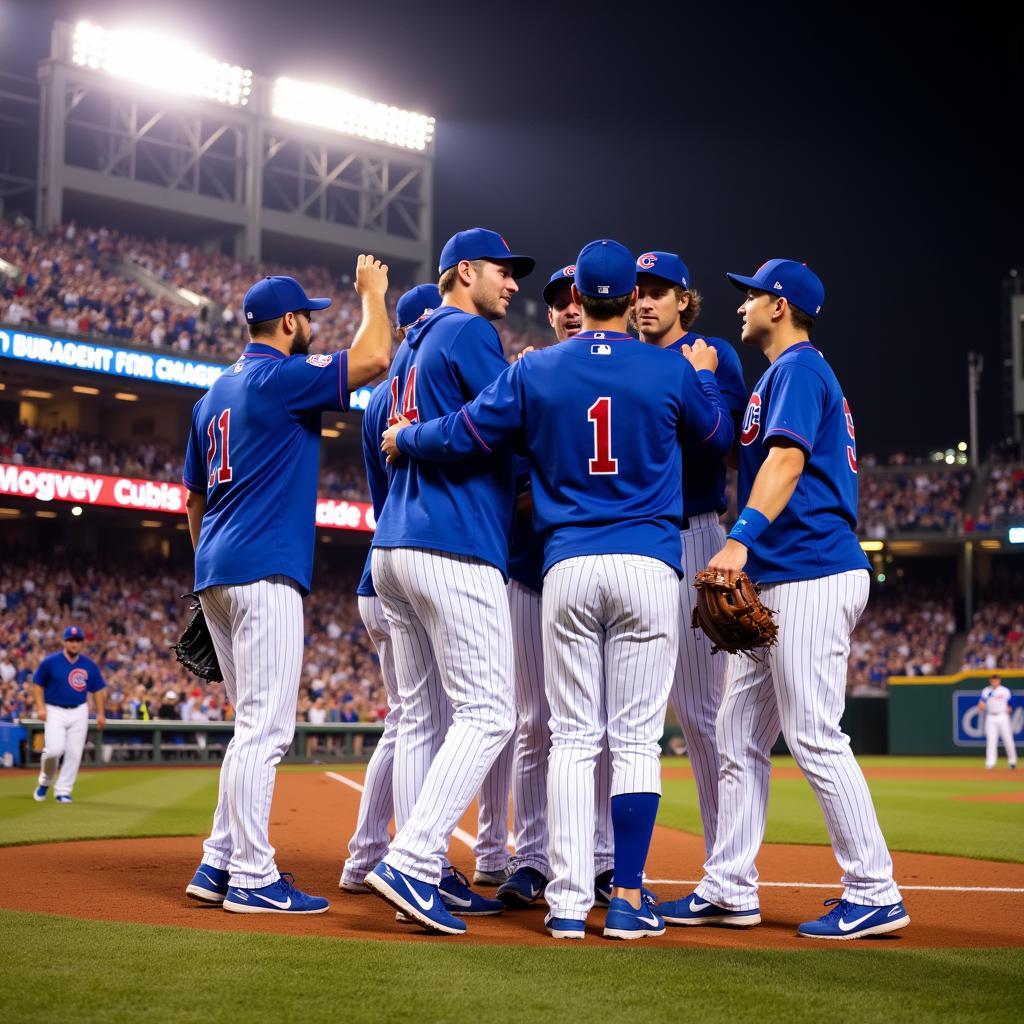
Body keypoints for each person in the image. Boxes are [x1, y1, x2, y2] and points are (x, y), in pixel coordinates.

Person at [384, 238, 733, 940]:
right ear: (629, 299)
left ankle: (569, 904)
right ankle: (627, 896)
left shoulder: (536, 367)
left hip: (566, 563)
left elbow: (469, 433)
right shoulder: (667, 368)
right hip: (647, 563)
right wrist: (696, 378)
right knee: (632, 740)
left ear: (581, 300)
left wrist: (410, 438)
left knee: (570, 738)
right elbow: (719, 435)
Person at [657, 258, 910, 940]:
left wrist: (738, 540)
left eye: (751, 295)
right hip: (782, 576)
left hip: (812, 571)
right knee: (735, 736)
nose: (740, 304)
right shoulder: (781, 375)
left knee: (813, 734)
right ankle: (729, 886)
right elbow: (746, 451)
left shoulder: (798, 368)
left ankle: (875, 888)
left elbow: (787, 461)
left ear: (780, 305)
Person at [181, 259, 391, 915]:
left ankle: (218, 861)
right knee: (266, 733)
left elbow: (191, 498)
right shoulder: (278, 378)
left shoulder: (212, 393)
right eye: (309, 319)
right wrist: (372, 296)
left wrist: (210, 562)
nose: (311, 329)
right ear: (292, 322)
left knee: (250, 727)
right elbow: (374, 358)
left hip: (216, 568)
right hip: (264, 570)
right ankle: (251, 876)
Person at [364, 228, 534, 935]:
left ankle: (421, 871)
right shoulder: (465, 331)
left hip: (392, 549)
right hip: (452, 541)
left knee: (422, 721)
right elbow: (497, 426)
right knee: (492, 712)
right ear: (464, 271)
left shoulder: (412, 341)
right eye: (504, 270)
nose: (514, 284)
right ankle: (413, 858)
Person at [497, 264, 617, 909]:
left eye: (579, 300)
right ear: (550, 316)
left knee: (594, 726)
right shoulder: (532, 375)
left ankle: (600, 858)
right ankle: (533, 856)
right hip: (530, 568)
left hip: (583, 564)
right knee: (534, 722)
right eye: (559, 303)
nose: (570, 309)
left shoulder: (620, 376)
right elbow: (502, 469)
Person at [633, 250, 748, 859]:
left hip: (696, 534)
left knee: (704, 714)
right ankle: (605, 865)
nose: (645, 300)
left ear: (684, 299)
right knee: (626, 721)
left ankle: (725, 868)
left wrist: (697, 381)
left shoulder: (712, 353)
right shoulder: (619, 357)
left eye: (659, 291)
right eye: (638, 291)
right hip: (631, 542)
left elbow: (729, 448)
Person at [32, 625, 106, 804]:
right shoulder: (50, 662)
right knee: (54, 751)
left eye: (77, 640)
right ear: (64, 641)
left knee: (74, 753)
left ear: (82, 643)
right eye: (71, 640)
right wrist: (41, 707)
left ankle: (63, 791)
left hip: (79, 710)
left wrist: (101, 713)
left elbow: (97, 690)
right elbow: (37, 684)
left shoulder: (89, 665)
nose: (74, 643)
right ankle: (45, 781)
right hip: (54, 709)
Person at [979, 675, 1018, 769]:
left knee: (1008, 739)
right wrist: (981, 705)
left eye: (996, 680)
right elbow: (981, 703)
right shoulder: (987, 691)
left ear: (999, 681)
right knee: (991, 740)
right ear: (990, 681)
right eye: (993, 680)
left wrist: (1010, 707)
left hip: (1002, 716)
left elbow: (1011, 702)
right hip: (990, 717)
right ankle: (990, 762)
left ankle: (1012, 761)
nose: (994, 682)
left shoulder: (1004, 691)